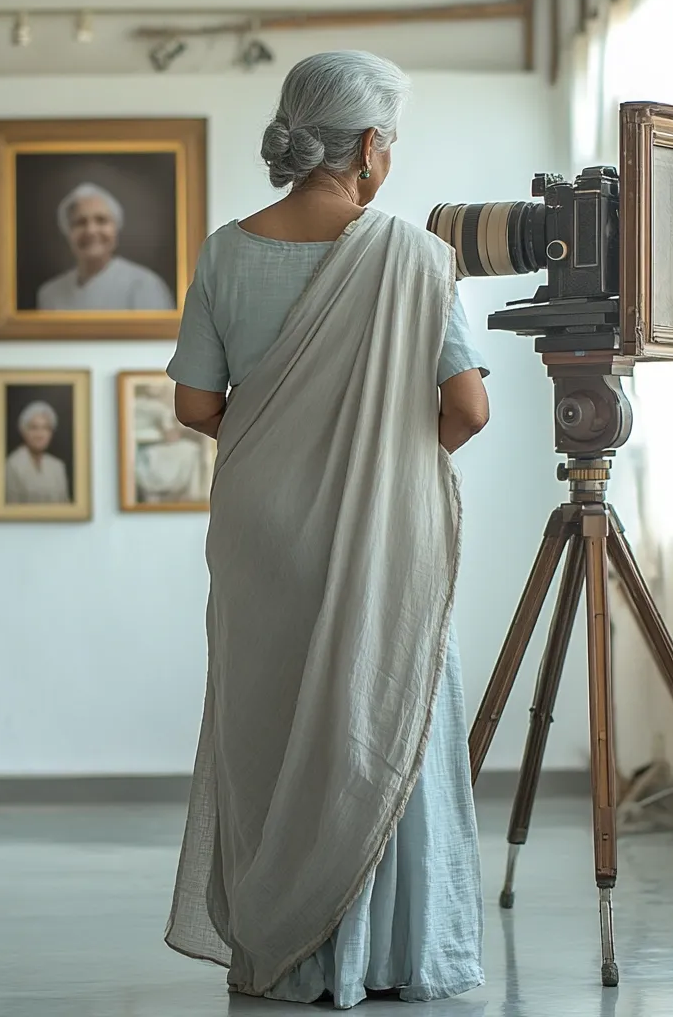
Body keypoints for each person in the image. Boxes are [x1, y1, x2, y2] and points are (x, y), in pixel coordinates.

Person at [163, 51, 490, 1009]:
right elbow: (466, 409)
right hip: (377, 531)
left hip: (260, 527)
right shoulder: (417, 259)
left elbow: (193, 404)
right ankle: (389, 955)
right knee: (385, 712)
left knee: (265, 726)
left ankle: (284, 950)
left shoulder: (226, 248)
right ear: (371, 150)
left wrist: (284, 447)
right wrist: (377, 465)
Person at [36, 183, 175, 311]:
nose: (91, 231)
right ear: (68, 231)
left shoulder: (144, 285)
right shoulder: (49, 294)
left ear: (115, 229)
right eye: (80, 222)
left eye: (101, 220)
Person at [133, 383, 210, 502]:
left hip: (143, 449)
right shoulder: (158, 409)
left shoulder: (139, 405)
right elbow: (170, 435)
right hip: (146, 451)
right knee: (190, 451)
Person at [4, 400, 70, 504]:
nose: (40, 435)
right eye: (34, 428)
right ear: (24, 431)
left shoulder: (58, 466)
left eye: (45, 428)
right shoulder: (12, 465)